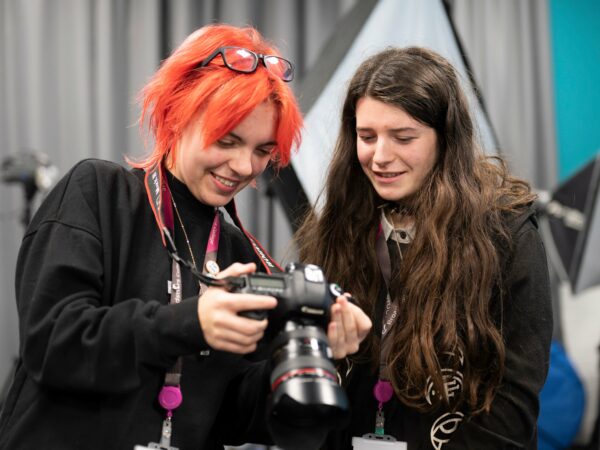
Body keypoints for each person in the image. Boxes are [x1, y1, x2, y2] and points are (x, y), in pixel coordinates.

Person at [0, 24, 371, 450]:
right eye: (227, 140)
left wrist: (310, 364)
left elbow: (229, 414)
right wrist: (189, 322)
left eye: (262, 150)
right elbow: (54, 343)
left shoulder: (237, 252)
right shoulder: (97, 193)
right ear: (177, 114)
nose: (243, 165)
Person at [294, 46, 553, 449]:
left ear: (445, 140)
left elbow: (511, 407)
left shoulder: (507, 234)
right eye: (367, 136)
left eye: (403, 137)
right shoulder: (336, 229)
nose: (380, 156)